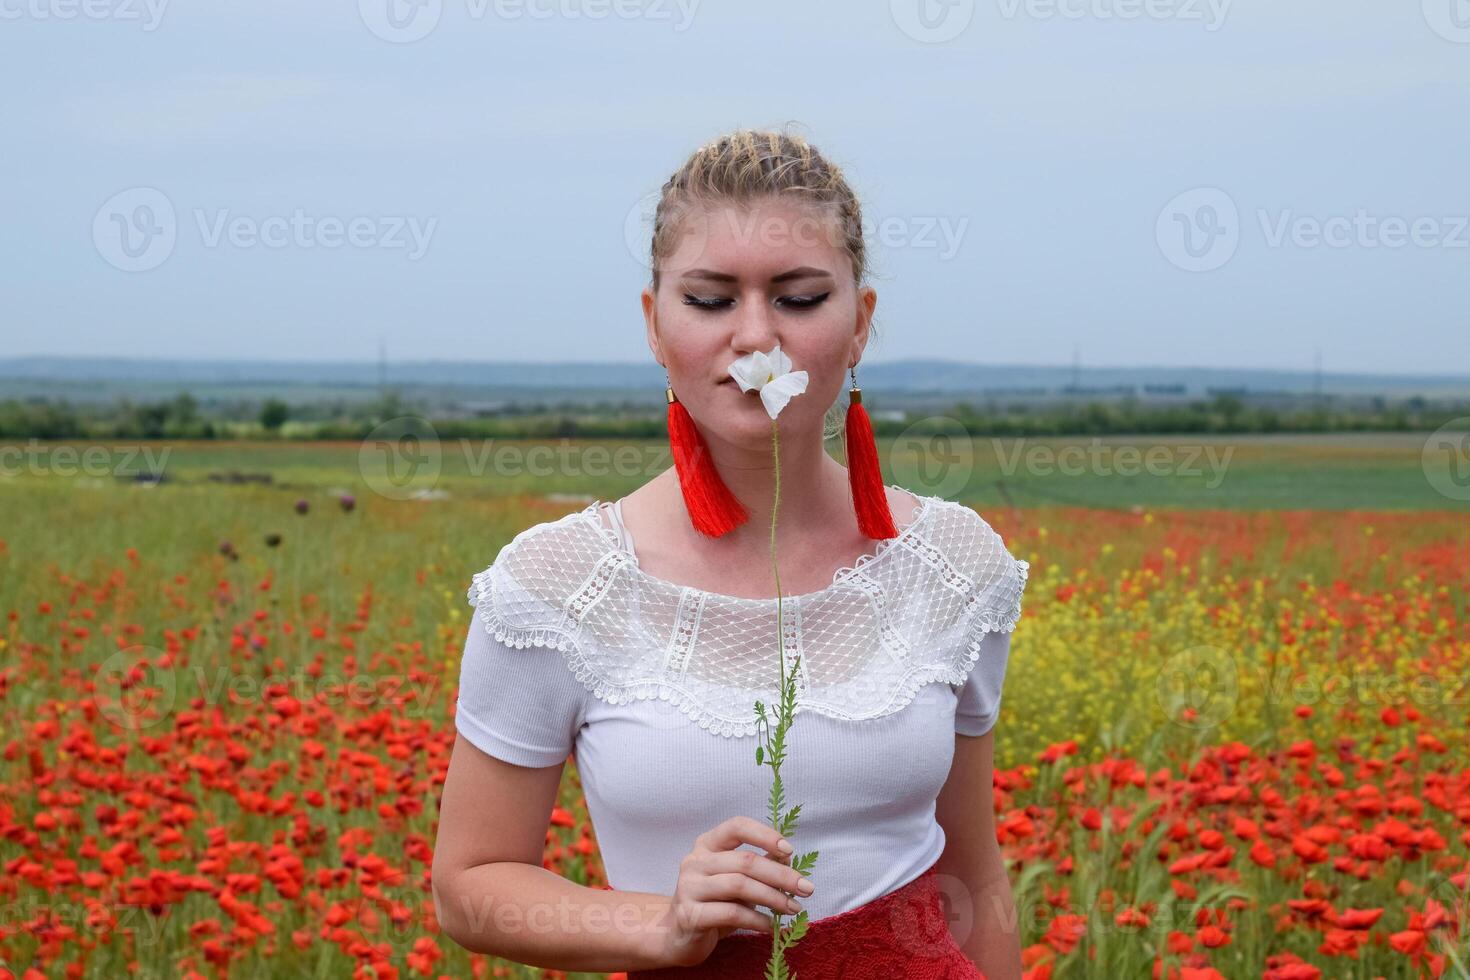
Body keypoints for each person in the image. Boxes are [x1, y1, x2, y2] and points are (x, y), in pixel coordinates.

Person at [432, 128, 1029, 979]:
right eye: (711, 300)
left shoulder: (952, 563)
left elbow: (974, 876)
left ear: (860, 323)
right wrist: (662, 924)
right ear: (654, 325)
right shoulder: (556, 584)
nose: (756, 339)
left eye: (800, 298)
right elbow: (469, 884)